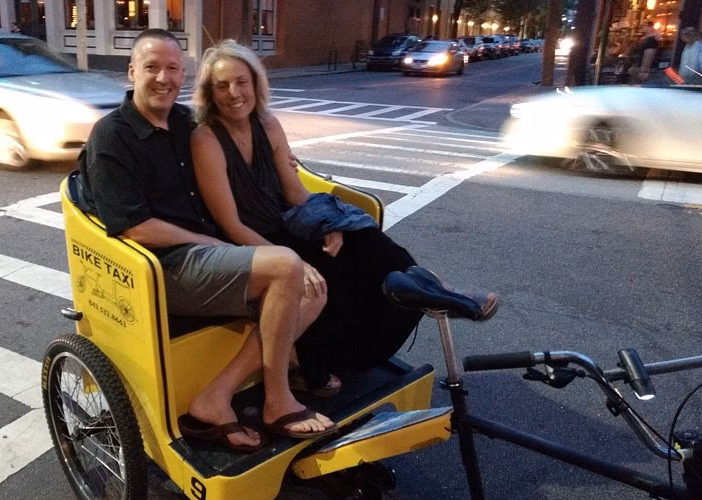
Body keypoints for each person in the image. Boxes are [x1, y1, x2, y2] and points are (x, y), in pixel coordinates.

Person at [79, 29, 336, 450]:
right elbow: (134, 227)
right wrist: (210, 241)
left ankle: (215, 397)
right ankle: (278, 402)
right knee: (287, 264)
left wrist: (282, 158)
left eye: (173, 68)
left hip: (209, 256)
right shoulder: (112, 136)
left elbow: (241, 138)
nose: (163, 78)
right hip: (163, 267)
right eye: (151, 67)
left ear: (183, 75)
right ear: (131, 72)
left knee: (313, 291)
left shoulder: (186, 123)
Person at [190, 40, 494, 395]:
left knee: (367, 244)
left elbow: (294, 193)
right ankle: (308, 367)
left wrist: (329, 223)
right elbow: (231, 225)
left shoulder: (268, 125)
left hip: (286, 224)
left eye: (241, 82)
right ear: (210, 93)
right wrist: (289, 260)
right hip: (247, 243)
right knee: (317, 277)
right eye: (222, 85)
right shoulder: (206, 139)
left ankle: (433, 291)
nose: (234, 93)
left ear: (256, 83)